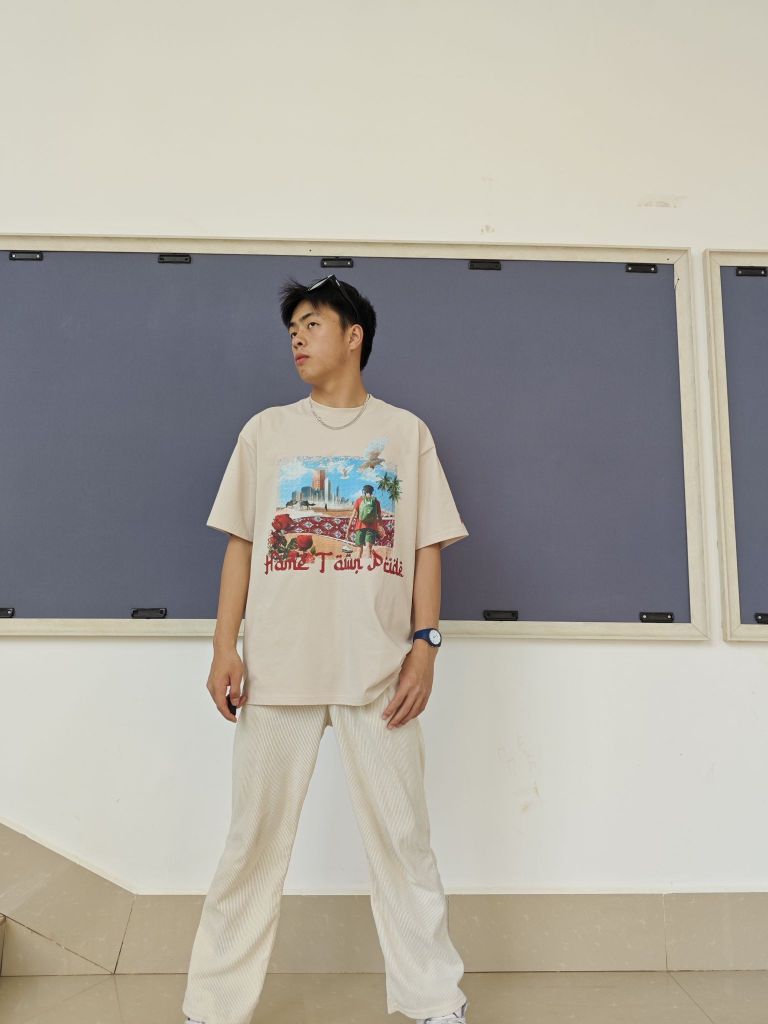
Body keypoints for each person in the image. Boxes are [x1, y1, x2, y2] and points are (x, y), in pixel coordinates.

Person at [183, 273, 471, 1024]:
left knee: (404, 840)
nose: (298, 339)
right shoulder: (265, 432)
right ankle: (213, 1006)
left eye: (312, 324)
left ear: (354, 336)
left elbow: (428, 544)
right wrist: (223, 646)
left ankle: (435, 1000)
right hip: (276, 669)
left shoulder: (405, 433)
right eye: (292, 330)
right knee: (251, 842)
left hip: (379, 672)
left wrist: (426, 646)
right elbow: (243, 545)